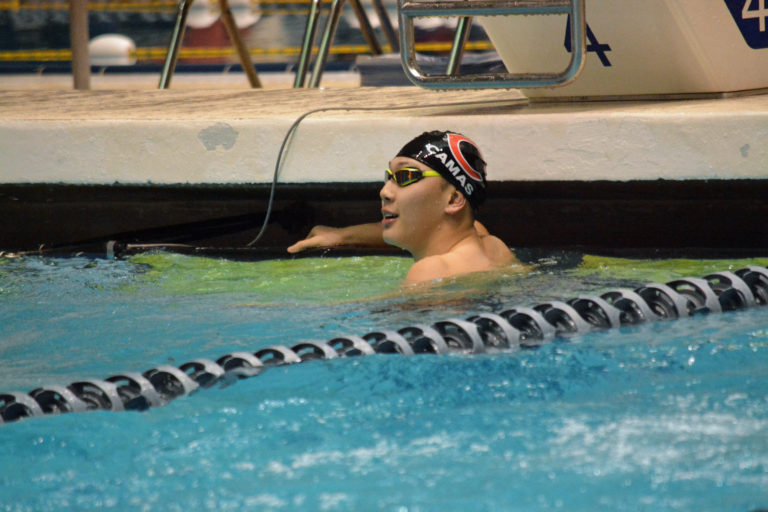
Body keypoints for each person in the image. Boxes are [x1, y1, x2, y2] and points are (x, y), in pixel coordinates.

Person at [287, 130, 523, 285]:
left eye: (406, 176)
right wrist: (341, 235)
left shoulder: (431, 273)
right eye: (388, 176)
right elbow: (414, 229)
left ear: (453, 200)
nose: (384, 191)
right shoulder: (491, 245)